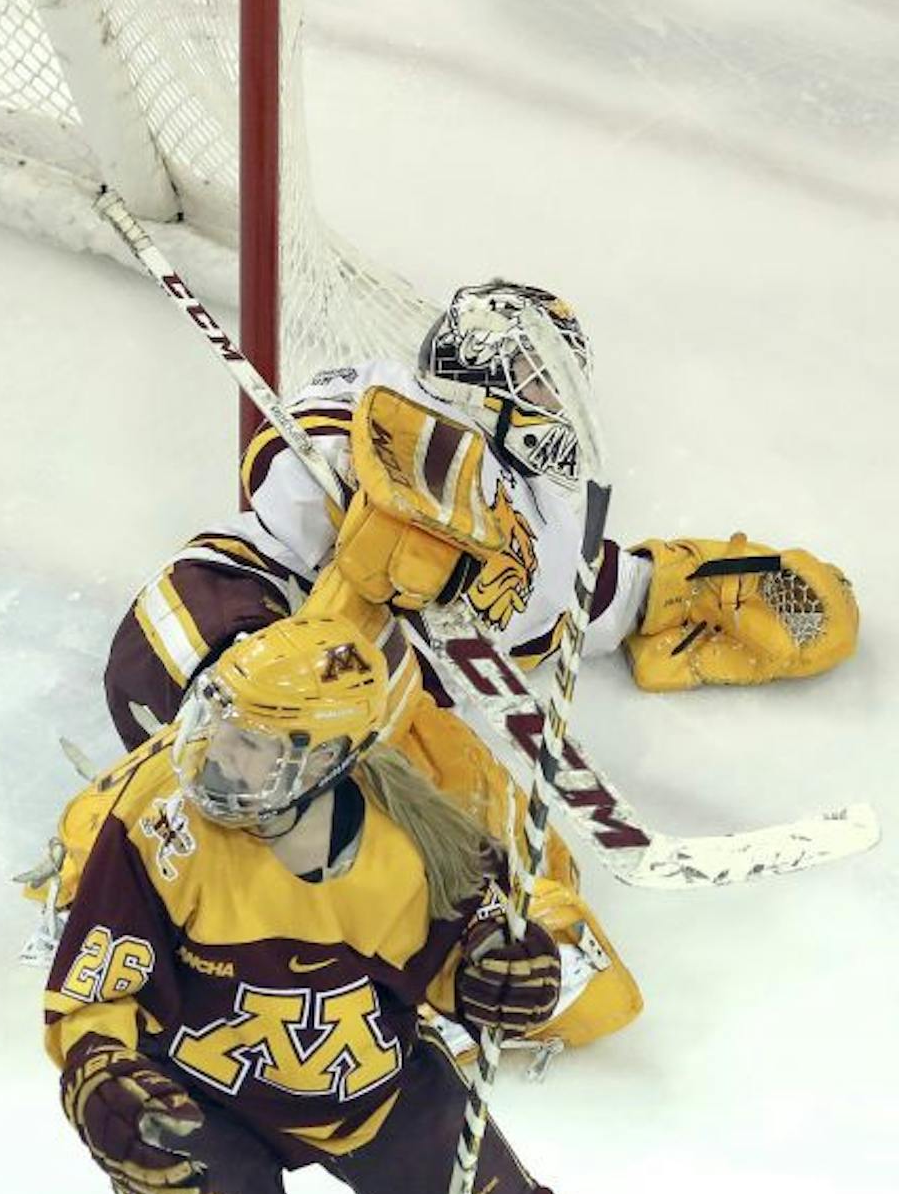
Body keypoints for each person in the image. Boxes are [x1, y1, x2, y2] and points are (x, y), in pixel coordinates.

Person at [93, 280, 857, 1053]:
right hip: (220, 629)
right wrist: (394, 511)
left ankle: (478, 959)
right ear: (482, 369)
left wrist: (678, 590)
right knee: (309, 766)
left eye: (559, 383)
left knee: (511, 852)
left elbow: (592, 601)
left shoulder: (543, 518)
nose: (554, 400)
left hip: (366, 726)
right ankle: (174, 882)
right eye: (538, 379)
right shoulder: (384, 397)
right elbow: (283, 461)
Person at [45, 614, 579, 1194]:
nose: (218, 752)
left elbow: (465, 959)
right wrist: (100, 1069)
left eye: (250, 743)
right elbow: (98, 985)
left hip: (365, 1088)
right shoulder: (159, 822)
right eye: (219, 724)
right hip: (195, 1099)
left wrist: (499, 977)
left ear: (323, 758)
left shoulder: (413, 847)